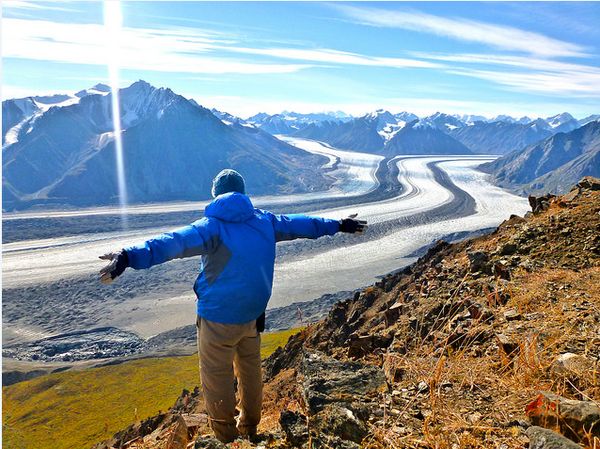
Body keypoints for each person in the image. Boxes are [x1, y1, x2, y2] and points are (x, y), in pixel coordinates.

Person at [99, 169, 367, 443]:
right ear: (243, 192)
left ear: (216, 194)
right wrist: (337, 224)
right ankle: (249, 427)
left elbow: (173, 243)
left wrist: (129, 256)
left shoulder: (211, 227)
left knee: (217, 380)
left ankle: (227, 440)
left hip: (217, 319)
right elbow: (302, 224)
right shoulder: (265, 221)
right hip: (252, 316)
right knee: (250, 371)